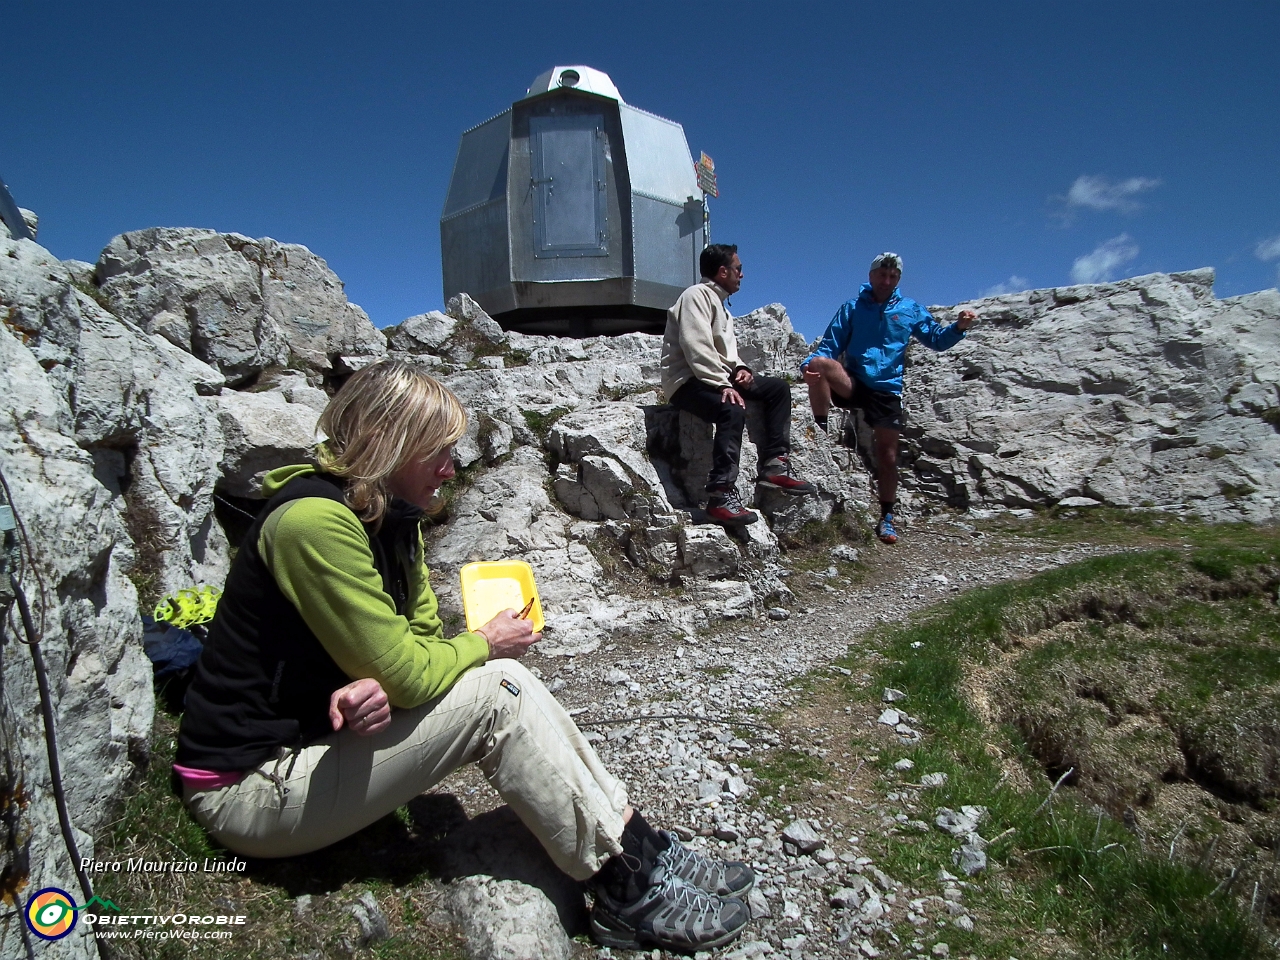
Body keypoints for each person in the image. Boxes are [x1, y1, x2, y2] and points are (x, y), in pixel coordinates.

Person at [173, 360, 752, 952]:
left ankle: (641, 847)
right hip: (247, 786)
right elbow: (407, 672)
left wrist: (387, 678)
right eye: (437, 452)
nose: (451, 469)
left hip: (309, 744)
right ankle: (623, 889)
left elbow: (417, 643)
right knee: (500, 689)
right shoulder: (313, 522)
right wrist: (476, 644)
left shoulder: (391, 517)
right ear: (389, 443)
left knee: (501, 680)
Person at [800, 252, 977, 544]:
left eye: (892, 276)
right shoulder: (853, 307)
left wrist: (958, 328)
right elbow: (829, 346)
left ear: (898, 280)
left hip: (886, 389)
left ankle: (887, 517)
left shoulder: (909, 309)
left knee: (888, 455)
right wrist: (806, 367)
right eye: (881, 274)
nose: (886, 280)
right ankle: (820, 433)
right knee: (819, 365)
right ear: (871, 276)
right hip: (854, 382)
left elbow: (936, 339)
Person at [661, 243, 815, 526]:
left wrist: (740, 369)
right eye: (738, 269)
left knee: (777, 389)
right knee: (731, 410)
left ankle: (774, 464)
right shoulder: (695, 296)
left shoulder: (719, 305)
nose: (741, 275)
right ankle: (720, 496)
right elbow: (696, 347)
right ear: (722, 271)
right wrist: (723, 385)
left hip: (713, 377)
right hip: (686, 380)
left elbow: (725, 353)